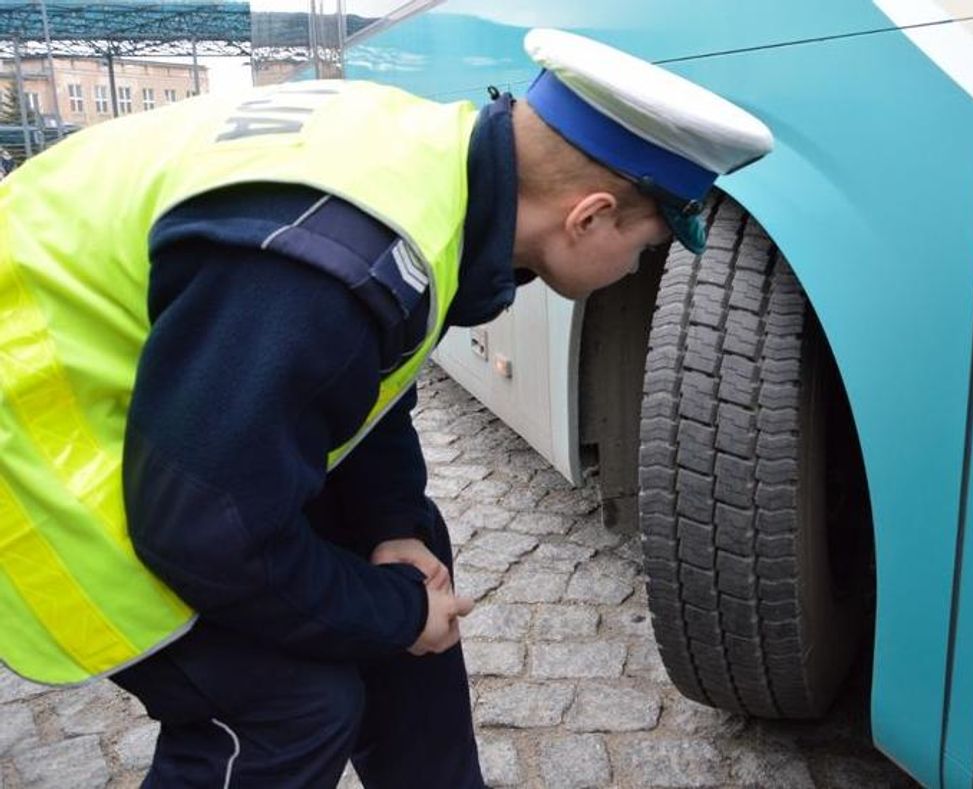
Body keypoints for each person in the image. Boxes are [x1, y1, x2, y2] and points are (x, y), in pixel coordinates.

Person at [0, 28, 772, 788]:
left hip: (152, 408)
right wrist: (396, 617)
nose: (639, 266)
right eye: (650, 245)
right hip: (40, 452)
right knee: (291, 707)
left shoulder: (430, 176)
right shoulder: (334, 266)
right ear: (590, 215)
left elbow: (354, 386)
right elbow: (202, 533)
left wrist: (391, 527)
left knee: (409, 554)